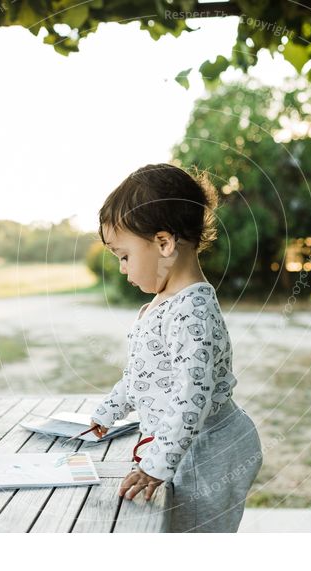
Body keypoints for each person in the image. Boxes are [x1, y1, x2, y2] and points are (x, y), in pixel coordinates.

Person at [89, 162, 263, 533]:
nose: (122, 268)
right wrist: (109, 410)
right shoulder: (165, 301)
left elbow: (191, 398)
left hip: (210, 452)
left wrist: (156, 465)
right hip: (187, 444)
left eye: (124, 256)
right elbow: (144, 374)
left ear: (164, 244)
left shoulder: (192, 312)